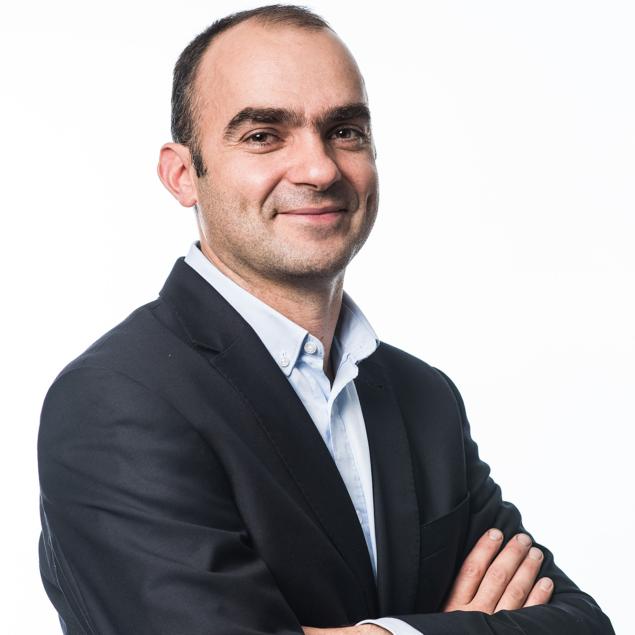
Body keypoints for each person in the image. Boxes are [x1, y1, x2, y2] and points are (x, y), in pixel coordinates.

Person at [37, 5, 614, 635]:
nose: (319, 169)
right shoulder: (116, 398)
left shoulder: (424, 399)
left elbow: (581, 623)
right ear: (182, 175)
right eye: (264, 135)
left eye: (345, 131)